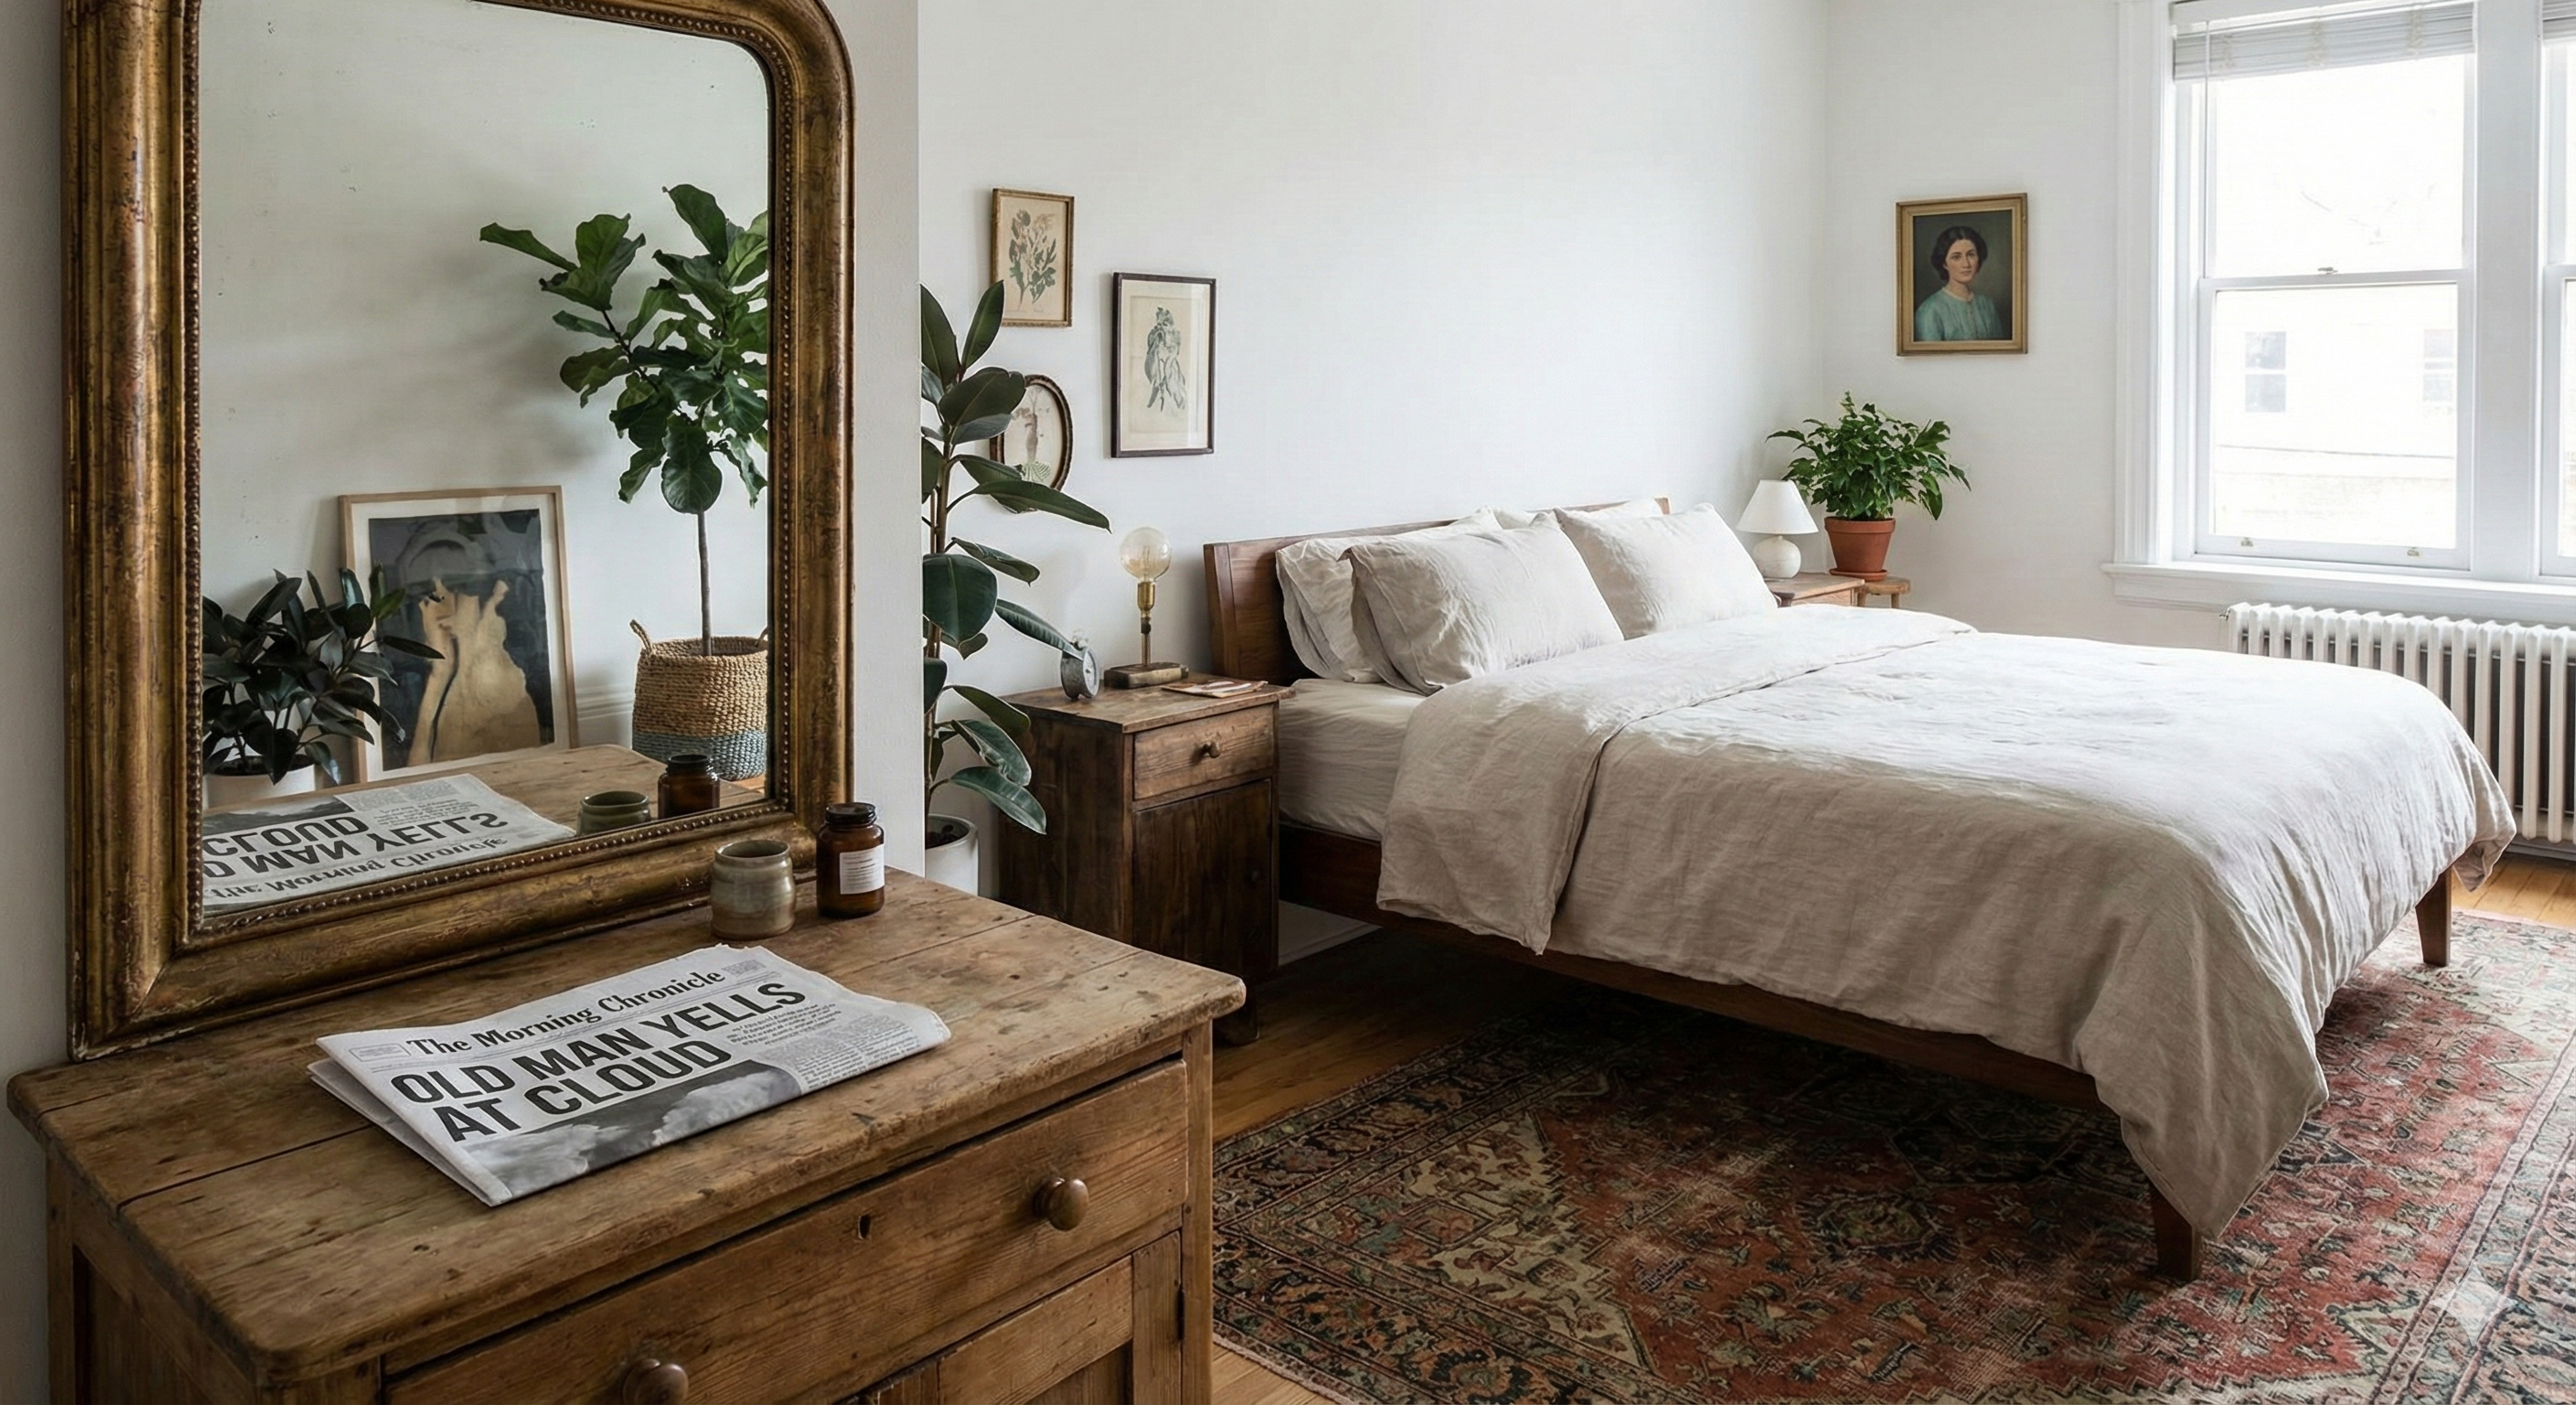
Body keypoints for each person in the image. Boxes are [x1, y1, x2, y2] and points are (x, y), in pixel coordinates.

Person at [1915, 224, 2004, 342]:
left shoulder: (1987, 305)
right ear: (1944, 264)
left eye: (1971, 255)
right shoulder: (1930, 310)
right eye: (1956, 257)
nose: (1966, 264)